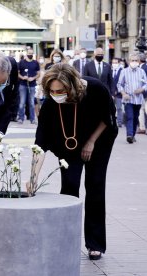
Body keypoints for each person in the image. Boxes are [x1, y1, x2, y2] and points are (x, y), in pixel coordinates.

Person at [33, 63, 118, 261]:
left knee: (95, 185)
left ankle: (95, 244)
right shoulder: (50, 103)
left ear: (72, 85)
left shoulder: (95, 88)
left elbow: (108, 117)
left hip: (99, 140)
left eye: (61, 90)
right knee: (70, 185)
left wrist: (90, 142)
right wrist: (33, 177)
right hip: (68, 145)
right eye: (52, 91)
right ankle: (65, 239)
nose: (56, 94)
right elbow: (40, 143)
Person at [117, 52, 147, 143]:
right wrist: (123, 93)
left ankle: (132, 134)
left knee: (135, 117)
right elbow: (119, 84)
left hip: (138, 99)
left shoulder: (141, 72)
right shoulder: (124, 71)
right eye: (132, 60)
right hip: (128, 99)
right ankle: (129, 135)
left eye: (136, 60)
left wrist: (141, 89)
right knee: (130, 116)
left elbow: (146, 83)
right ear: (129, 61)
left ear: (138, 61)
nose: (134, 62)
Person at [17, 48, 40, 124]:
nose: (30, 55)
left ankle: (32, 119)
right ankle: (21, 118)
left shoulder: (35, 63)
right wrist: (23, 77)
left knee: (32, 103)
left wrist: (33, 78)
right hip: (23, 84)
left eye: (32, 53)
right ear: (26, 54)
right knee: (22, 102)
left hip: (32, 85)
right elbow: (18, 73)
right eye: (29, 53)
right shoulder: (21, 62)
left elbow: (38, 74)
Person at [111, 57, 123, 127]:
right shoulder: (110, 70)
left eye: (116, 63)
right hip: (111, 93)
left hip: (119, 93)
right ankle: (111, 121)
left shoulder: (122, 71)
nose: (114, 64)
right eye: (113, 63)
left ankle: (119, 122)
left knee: (119, 108)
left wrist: (118, 91)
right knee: (111, 108)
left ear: (118, 63)